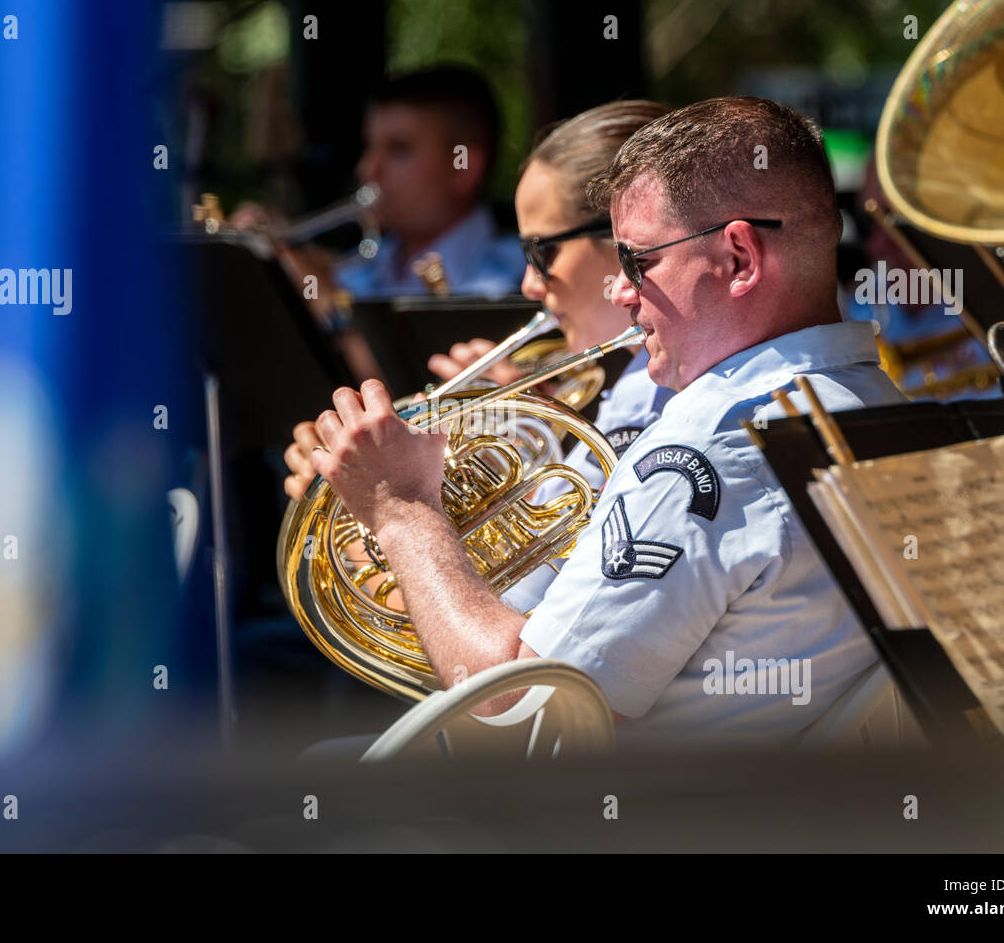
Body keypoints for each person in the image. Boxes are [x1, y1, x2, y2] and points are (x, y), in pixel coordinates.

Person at [306, 97, 909, 747]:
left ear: (739, 258)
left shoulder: (704, 449)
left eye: (637, 263)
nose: (621, 295)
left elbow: (523, 713)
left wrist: (401, 509)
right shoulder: (881, 405)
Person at [283, 99, 676, 505]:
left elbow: (557, 565)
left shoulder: (659, 399)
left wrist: (382, 503)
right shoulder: (639, 391)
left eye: (541, 254)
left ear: (622, 241)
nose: (530, 285)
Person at [234, 65, 526, 304]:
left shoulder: (520, 276)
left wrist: (326, 302)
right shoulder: (362, 266)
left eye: (398, 149)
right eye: (369, 147)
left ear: (464, 168)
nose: (367, 169)